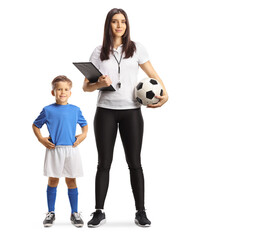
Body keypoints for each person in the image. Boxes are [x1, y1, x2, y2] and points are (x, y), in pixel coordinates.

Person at [83, 8, 168, 228]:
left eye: (123, 21)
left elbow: (153, 75)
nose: (119, 25)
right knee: (104, 164)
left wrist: (165, 94)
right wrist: (99, 84)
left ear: (127, 25)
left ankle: (141, 212)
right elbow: (86, 87)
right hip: (105, 112)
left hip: (132, 111)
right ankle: (99, 211)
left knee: (135, 163)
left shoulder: (137, 48)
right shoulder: (98, 51)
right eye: (114, 22)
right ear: (108, 25)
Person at [32, 75, 88, 228]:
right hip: (54, 150)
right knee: (53, 180)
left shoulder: (75, 110)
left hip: (71, 150)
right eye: (59, 89)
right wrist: (41, 139)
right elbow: (36, 125)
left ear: (70, 92)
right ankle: (51, 212)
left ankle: (74, 213)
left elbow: (84, 125)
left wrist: (83, 136)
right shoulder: (48, 110)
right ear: (53, 92)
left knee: (71, 181)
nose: (62, 92)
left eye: (66, 89)